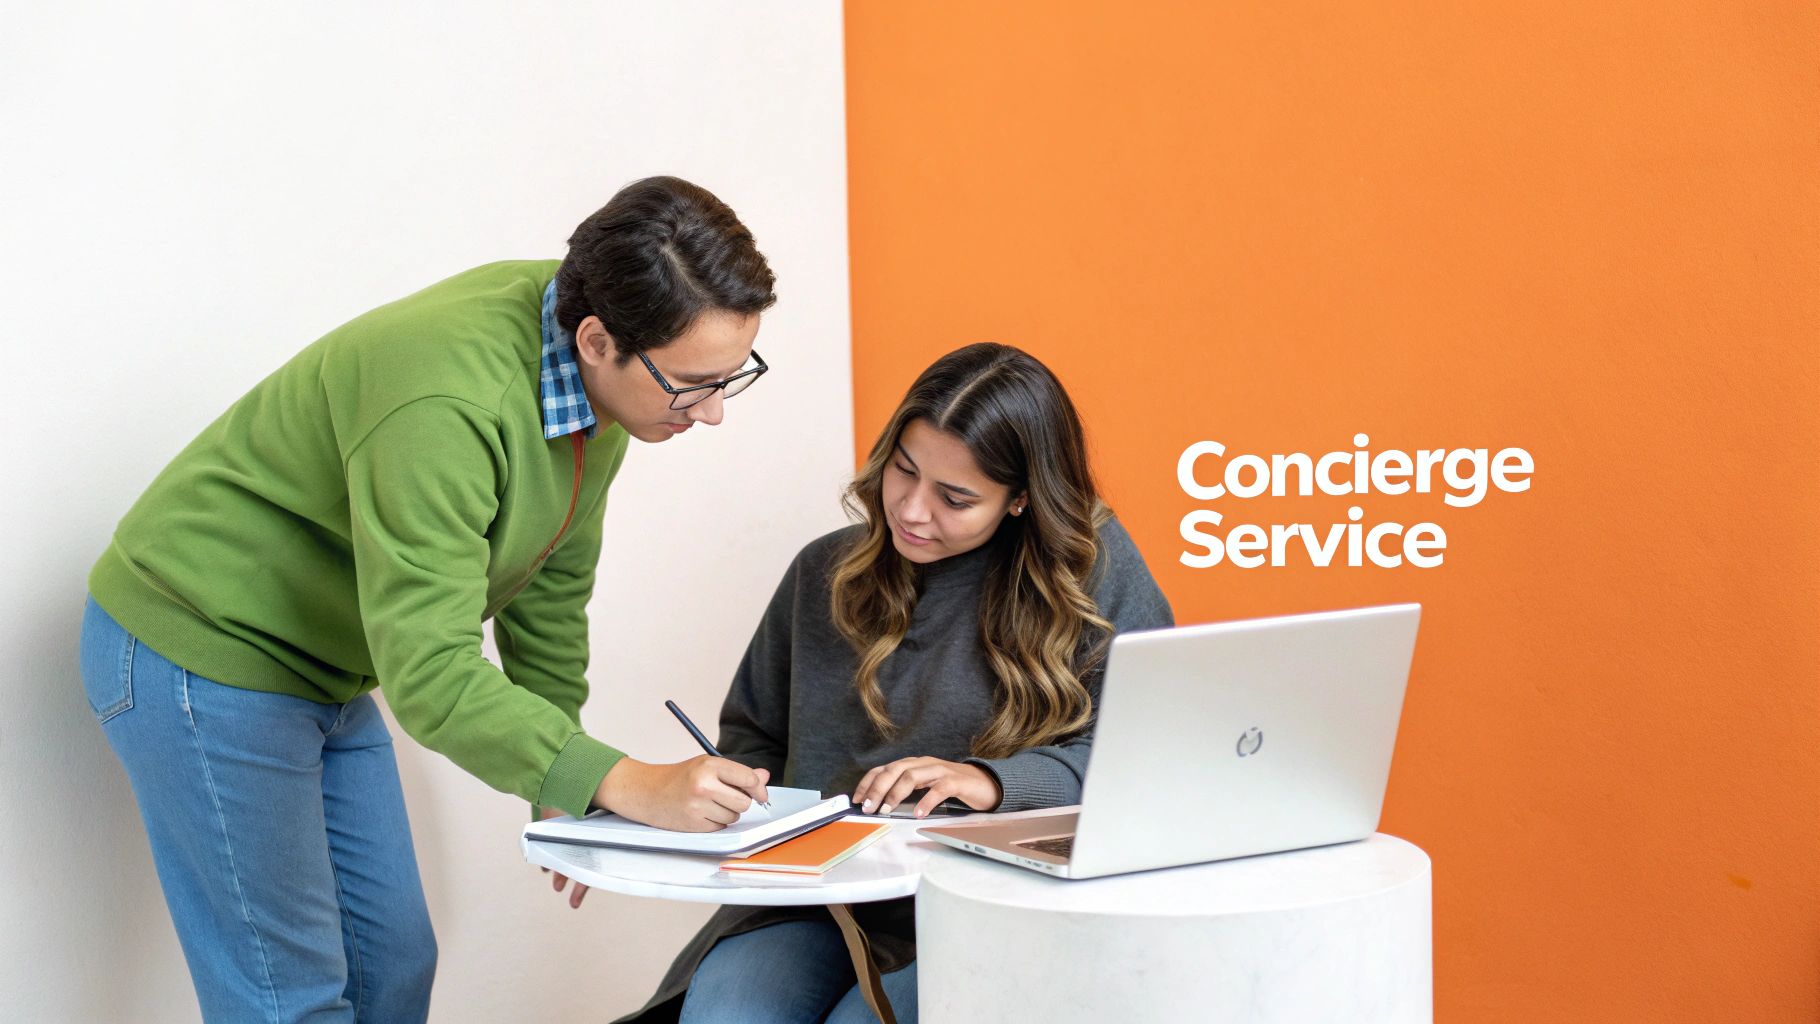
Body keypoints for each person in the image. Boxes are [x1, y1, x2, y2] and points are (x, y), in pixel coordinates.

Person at [77, 176, 781, 1023]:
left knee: (392, 968)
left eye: (730, 377)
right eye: (695, 384)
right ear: (598, 340)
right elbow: (431, 673)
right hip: (203, 646)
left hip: (325, 662)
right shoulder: (447, 399)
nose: (713, 413)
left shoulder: (599, 363)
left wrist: (560, 777)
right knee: (290, 999)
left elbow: (550, 580)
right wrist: (624, 782)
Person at [618, 343, 1175, 1023]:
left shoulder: (1093, 572)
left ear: (1022, 499)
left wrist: (993, 783)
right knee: (726, 1015)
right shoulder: (823, 572)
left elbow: (1147, 764)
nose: (911, 511)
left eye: (956, 498)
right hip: (814, 900)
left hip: (986, 902)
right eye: (903, 471)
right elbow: (753, 737)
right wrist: (733, 795)